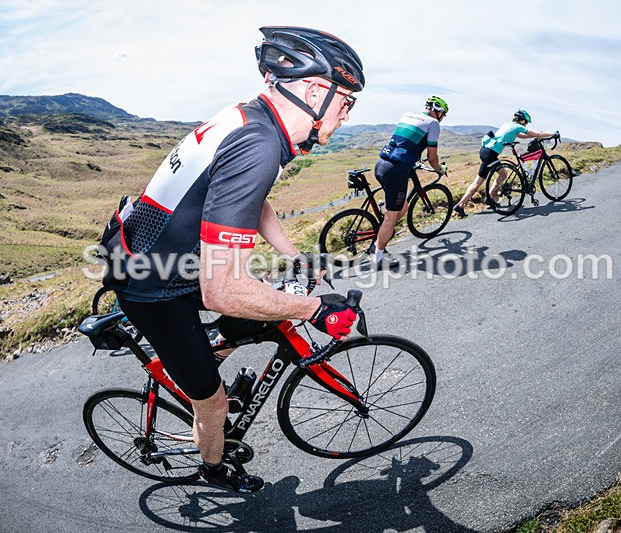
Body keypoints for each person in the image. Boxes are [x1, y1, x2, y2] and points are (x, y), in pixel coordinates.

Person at [98, 26, 364, 494]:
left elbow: (249, 200)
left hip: (161, 260)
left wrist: (294, 256)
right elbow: (222, 290)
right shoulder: (259, 144)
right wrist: (316, 310)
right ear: (314, 91)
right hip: (152, 288)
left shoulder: (249, 119)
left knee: (257, 312)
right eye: (346, 103)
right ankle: (214, 469)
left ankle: (206, 352)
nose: (345, 116)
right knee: (214, 403)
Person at [371, 96, 449, 266]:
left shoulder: (408, 115)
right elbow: (432, 156)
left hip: (381, 164)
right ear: (439, 111)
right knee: (391, 218)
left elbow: (405, 142)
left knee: (403, 206)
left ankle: (381, 233)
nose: (442, 117)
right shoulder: (433, 123)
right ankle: (378, 257)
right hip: (396, 170)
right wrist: (439, 169)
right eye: (443, 114)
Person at [453, 110, 555, 217]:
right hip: (490, 154)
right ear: (522, 120)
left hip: (485, 151)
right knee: (502, 175)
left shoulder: (507, 124)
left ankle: (461, 205)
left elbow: (521, 136)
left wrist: (534, 137)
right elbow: (536, 134)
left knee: (479, 182)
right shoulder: (517, 126)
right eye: (526, 122)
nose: (526, 124)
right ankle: (487, 197)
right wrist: (552, 134)